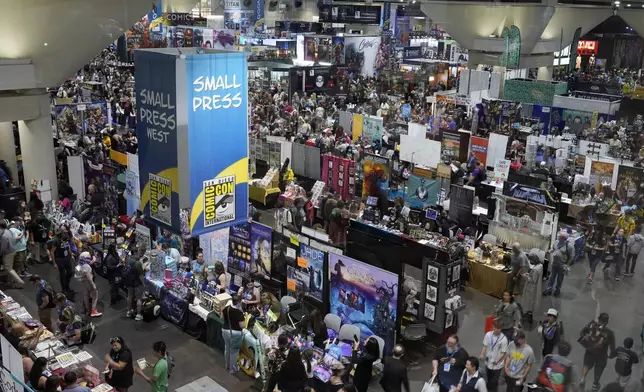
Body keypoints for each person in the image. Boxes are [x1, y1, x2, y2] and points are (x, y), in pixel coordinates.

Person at [579, 313, 616, 391]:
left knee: (587, 365)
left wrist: (587, 339)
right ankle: (595, 384)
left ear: (599, 319)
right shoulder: (610, 333)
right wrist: (612, 355)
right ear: (607, 322)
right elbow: (612, 347)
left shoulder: (591, 325)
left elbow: (582, 333)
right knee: (599, 368)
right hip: (601, 355)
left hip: (590, 351)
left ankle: (583, 378)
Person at [479, 319, 508, 392]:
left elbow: (503, 353)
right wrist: (482, 354)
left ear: (501, 328)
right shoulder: (488, 335)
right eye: (494, 327)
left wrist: (497, 361)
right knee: (487, 377)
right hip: (488, 361)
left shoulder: (503, 339)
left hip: (497, 365)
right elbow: (485, 345)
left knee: (494, 381)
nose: (496, 330)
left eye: (498, 328)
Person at [544, 231, 574, 297]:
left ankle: (557, 291)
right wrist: (550, 251)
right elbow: (554, 249)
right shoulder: (557, 242)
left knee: (560, 279)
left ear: (564, 238)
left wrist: (566, 265)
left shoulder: (569, 246)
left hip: (562, 265)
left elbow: (571, 257)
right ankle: (549, 289)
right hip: (554, 263)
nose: (558, 237)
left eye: (559, 237)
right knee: (552, 277)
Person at [48, 228, 75, 295]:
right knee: (62, 275)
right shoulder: (56, 241)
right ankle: (64, 289)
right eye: (64, 233)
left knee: (70, 272)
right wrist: (54, 263)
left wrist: (71, 255)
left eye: (66, 233)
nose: (66, 234)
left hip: (67, 258)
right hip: (59, 259)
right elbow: (52, 252)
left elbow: (68, 247)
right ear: (61, 234)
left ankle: (67, 286)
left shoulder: (66, 239)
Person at [222, 295, 245, 373]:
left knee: (227, 348)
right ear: (239, 302)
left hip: (225, 330)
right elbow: (242, 326)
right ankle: (232, 368)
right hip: (235, 333)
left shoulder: (226, 309)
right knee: (234, 352)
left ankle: (227, 365)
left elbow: (221, 317)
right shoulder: (239, 313)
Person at [75, 250, 101, 317]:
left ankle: (87, 310)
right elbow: (89, 278)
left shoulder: (78, 266)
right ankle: (93, 311)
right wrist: (93, 285)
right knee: (95, 295)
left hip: (83, 283)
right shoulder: (87, 267)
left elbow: (77, 275)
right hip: (88, 282)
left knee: (86, 296)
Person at [123, 248, 145, 320]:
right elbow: (141, 276)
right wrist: (144, 284)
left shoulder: (128, 259)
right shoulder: (137, 263)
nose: (140, 255)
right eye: (139, 253)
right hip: (137, 283)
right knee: (139, 298)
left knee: (129, 296)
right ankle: (138, 315)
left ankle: (129, 311)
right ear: (135, 253)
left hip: (129, 282)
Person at [521, 252, 542, 323]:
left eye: (531, 260)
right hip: (536, 287)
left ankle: (529, 316)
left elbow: (533, 280)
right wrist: (529, 274)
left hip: (531, 288)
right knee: (532, 302)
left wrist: (525, 276)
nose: (530, 262)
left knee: (529, 302)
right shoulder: (540, 266)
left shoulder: (535, 269)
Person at [0, 221, 22, 288]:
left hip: (8, 253)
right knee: (9, 268)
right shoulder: (8, 231)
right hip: (12, 250)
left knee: (9, 268)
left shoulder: (3, 235)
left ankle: (19, 282)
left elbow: (3, 247)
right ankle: (9, 282)